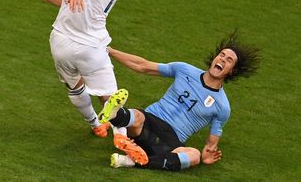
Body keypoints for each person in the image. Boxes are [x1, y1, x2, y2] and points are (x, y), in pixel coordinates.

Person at [100, 31, 261, 171]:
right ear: (215, 57)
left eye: (229, 60)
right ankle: (116, 114)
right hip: (149, 121)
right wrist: (110, 51)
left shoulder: (222, 107)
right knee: (138, 116)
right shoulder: (184, 70)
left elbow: (210, 146)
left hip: (171, 140)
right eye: (222, 55)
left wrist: (207, 156)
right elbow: (143, 66)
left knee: (194, 156)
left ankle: (132, 157)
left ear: (232, 70)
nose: (223, 59)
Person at [27, 0, 128, 139]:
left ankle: (95, 124)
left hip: (61, 40)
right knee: (110, 96)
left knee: (74, 84)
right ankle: (121, 135)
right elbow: (86, 6)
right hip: (92, 47)